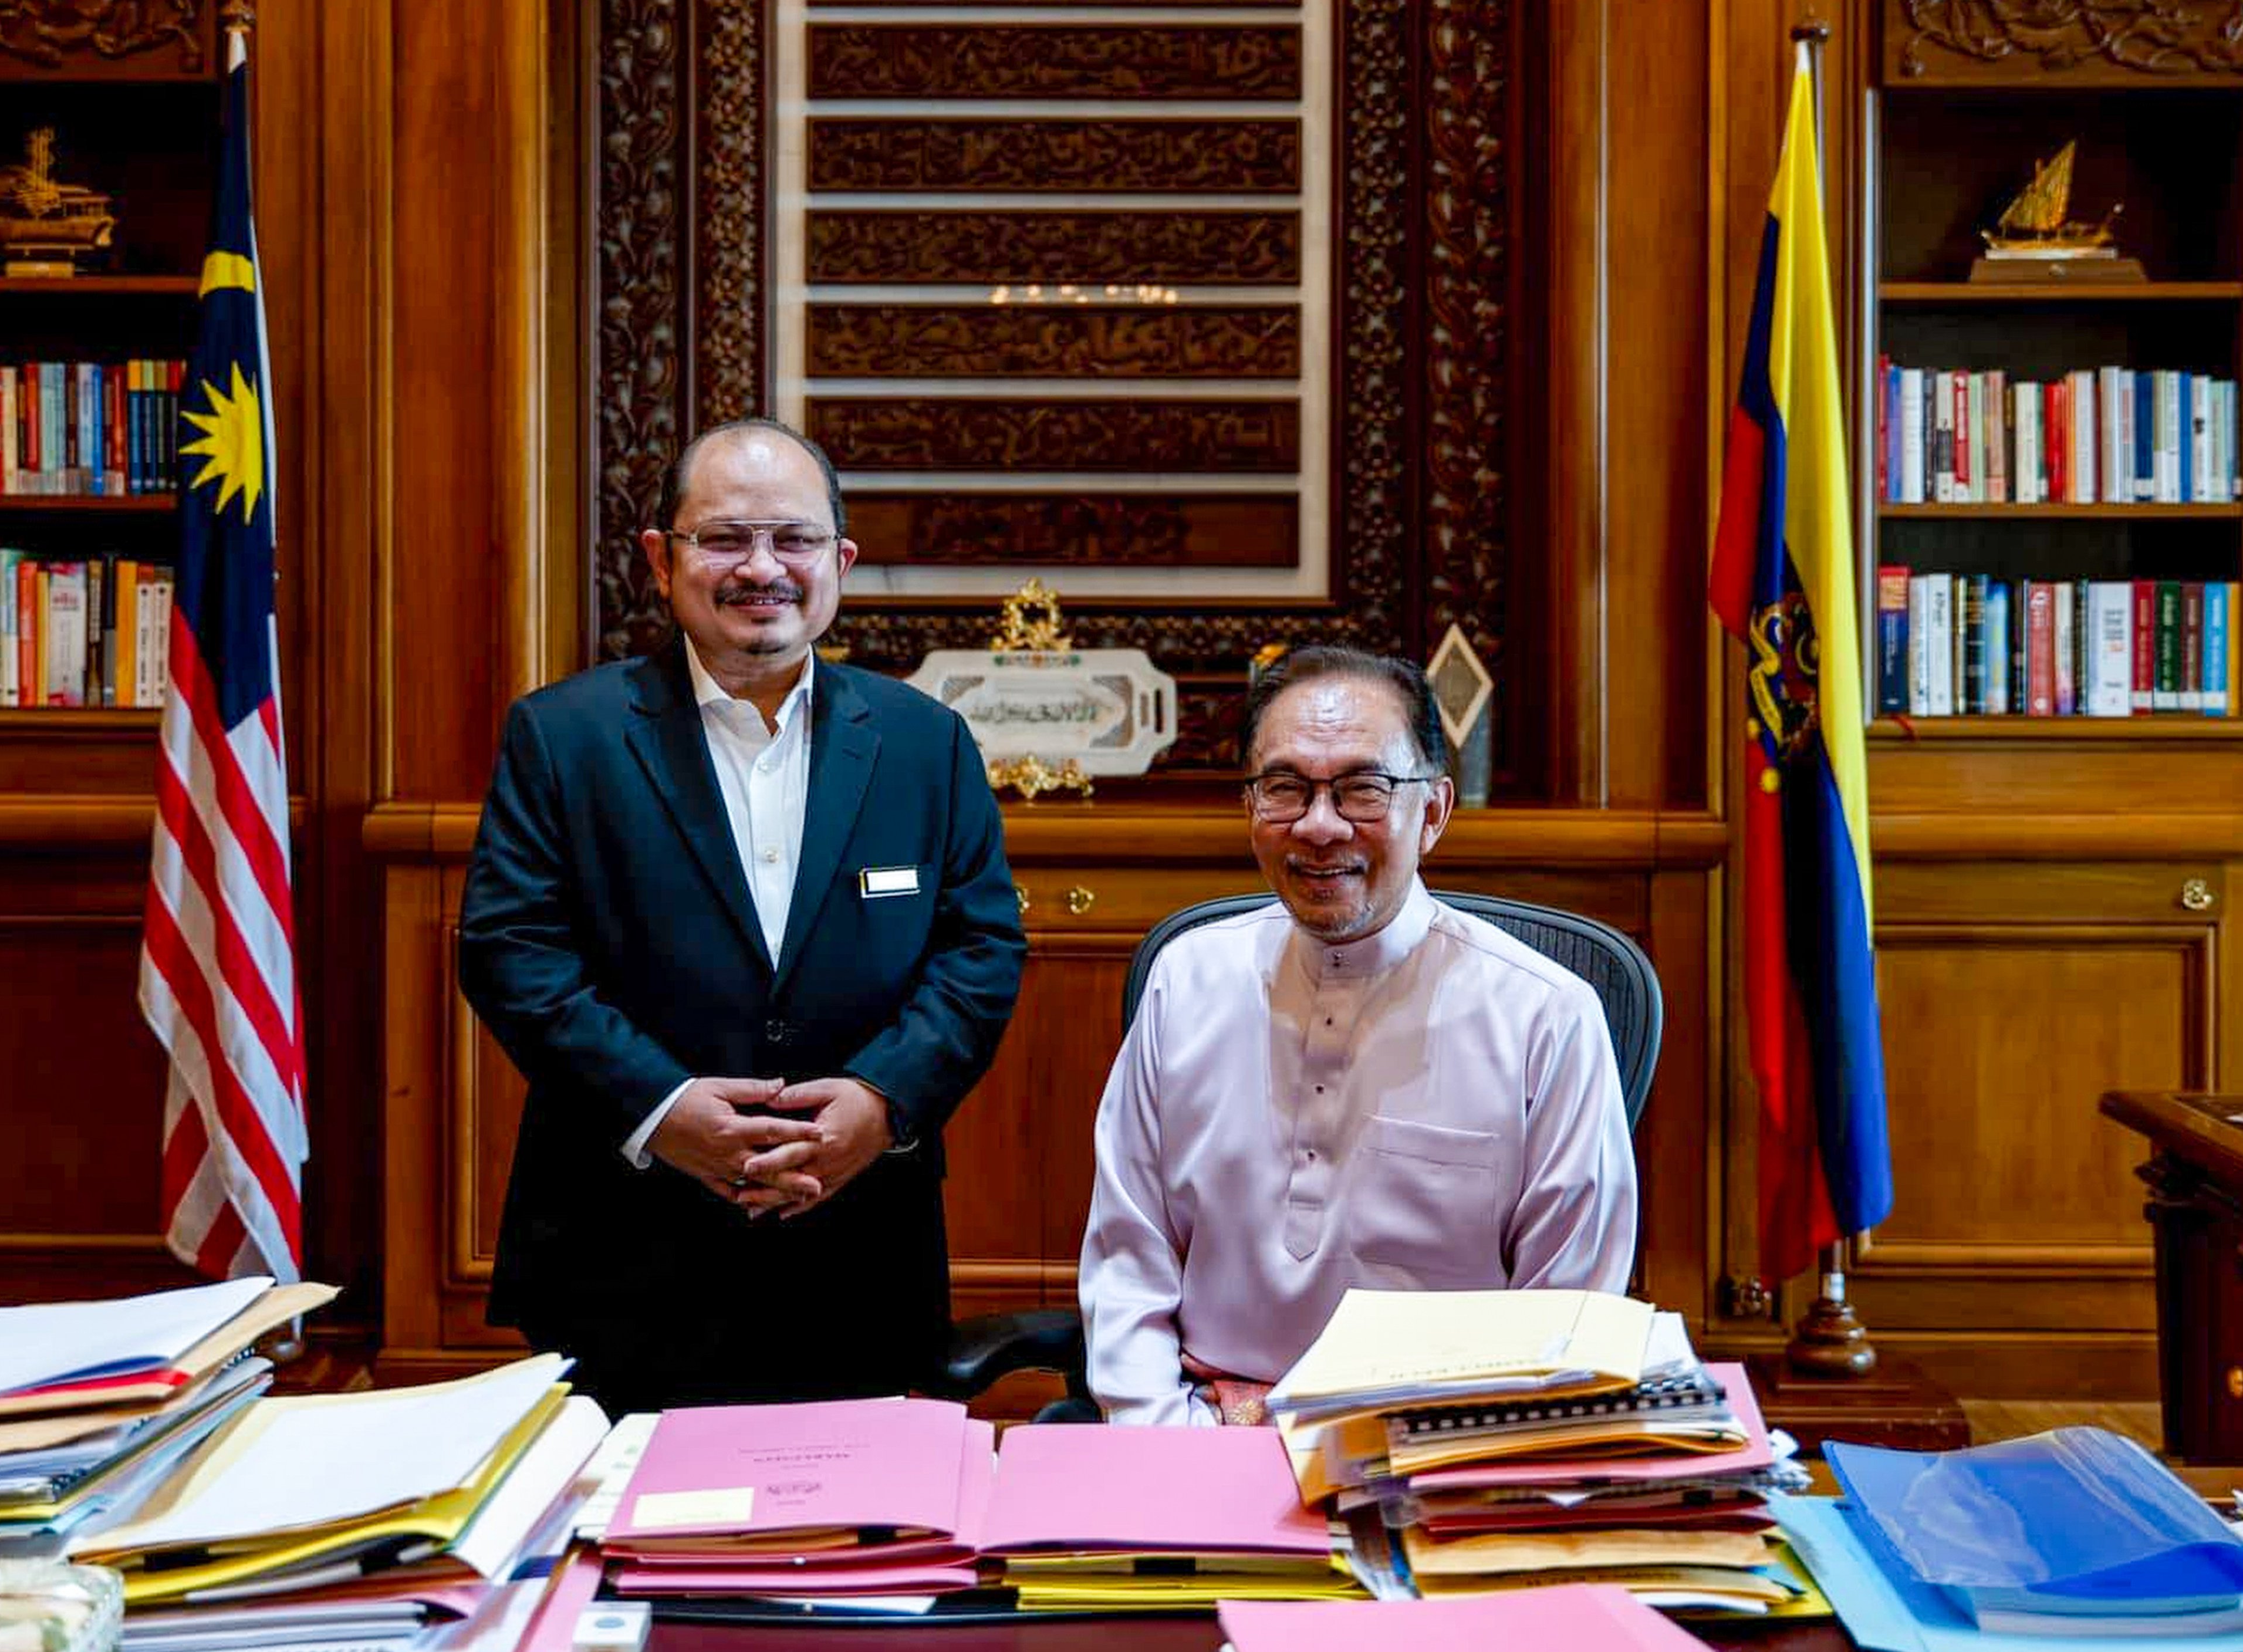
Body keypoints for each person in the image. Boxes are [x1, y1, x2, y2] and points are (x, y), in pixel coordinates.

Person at [458, 417, 1025, 1413]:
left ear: (840, 562)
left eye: (793, 540)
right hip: (624, 1244)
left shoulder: (925, 742)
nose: (761, 569)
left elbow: (978, 952)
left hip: (860, 1242)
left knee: (860, 1552)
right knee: (622, 1549)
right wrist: (663, 1110)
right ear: (659, 559)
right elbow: (514, 953)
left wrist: (881, 1105)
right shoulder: (564, 737)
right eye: (724, 539)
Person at [1079, 645, 1637, 1425]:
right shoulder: (1188, 980)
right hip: (1204, 1426)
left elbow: (1569, 1312)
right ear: (1250, 808)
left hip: (1442, 1446)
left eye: (1362, 790)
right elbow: (1127, 1261)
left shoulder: (1549, 1017)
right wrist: (1166, 1441)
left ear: (1434, 811)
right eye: (1285, 788)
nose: (1318, 825)